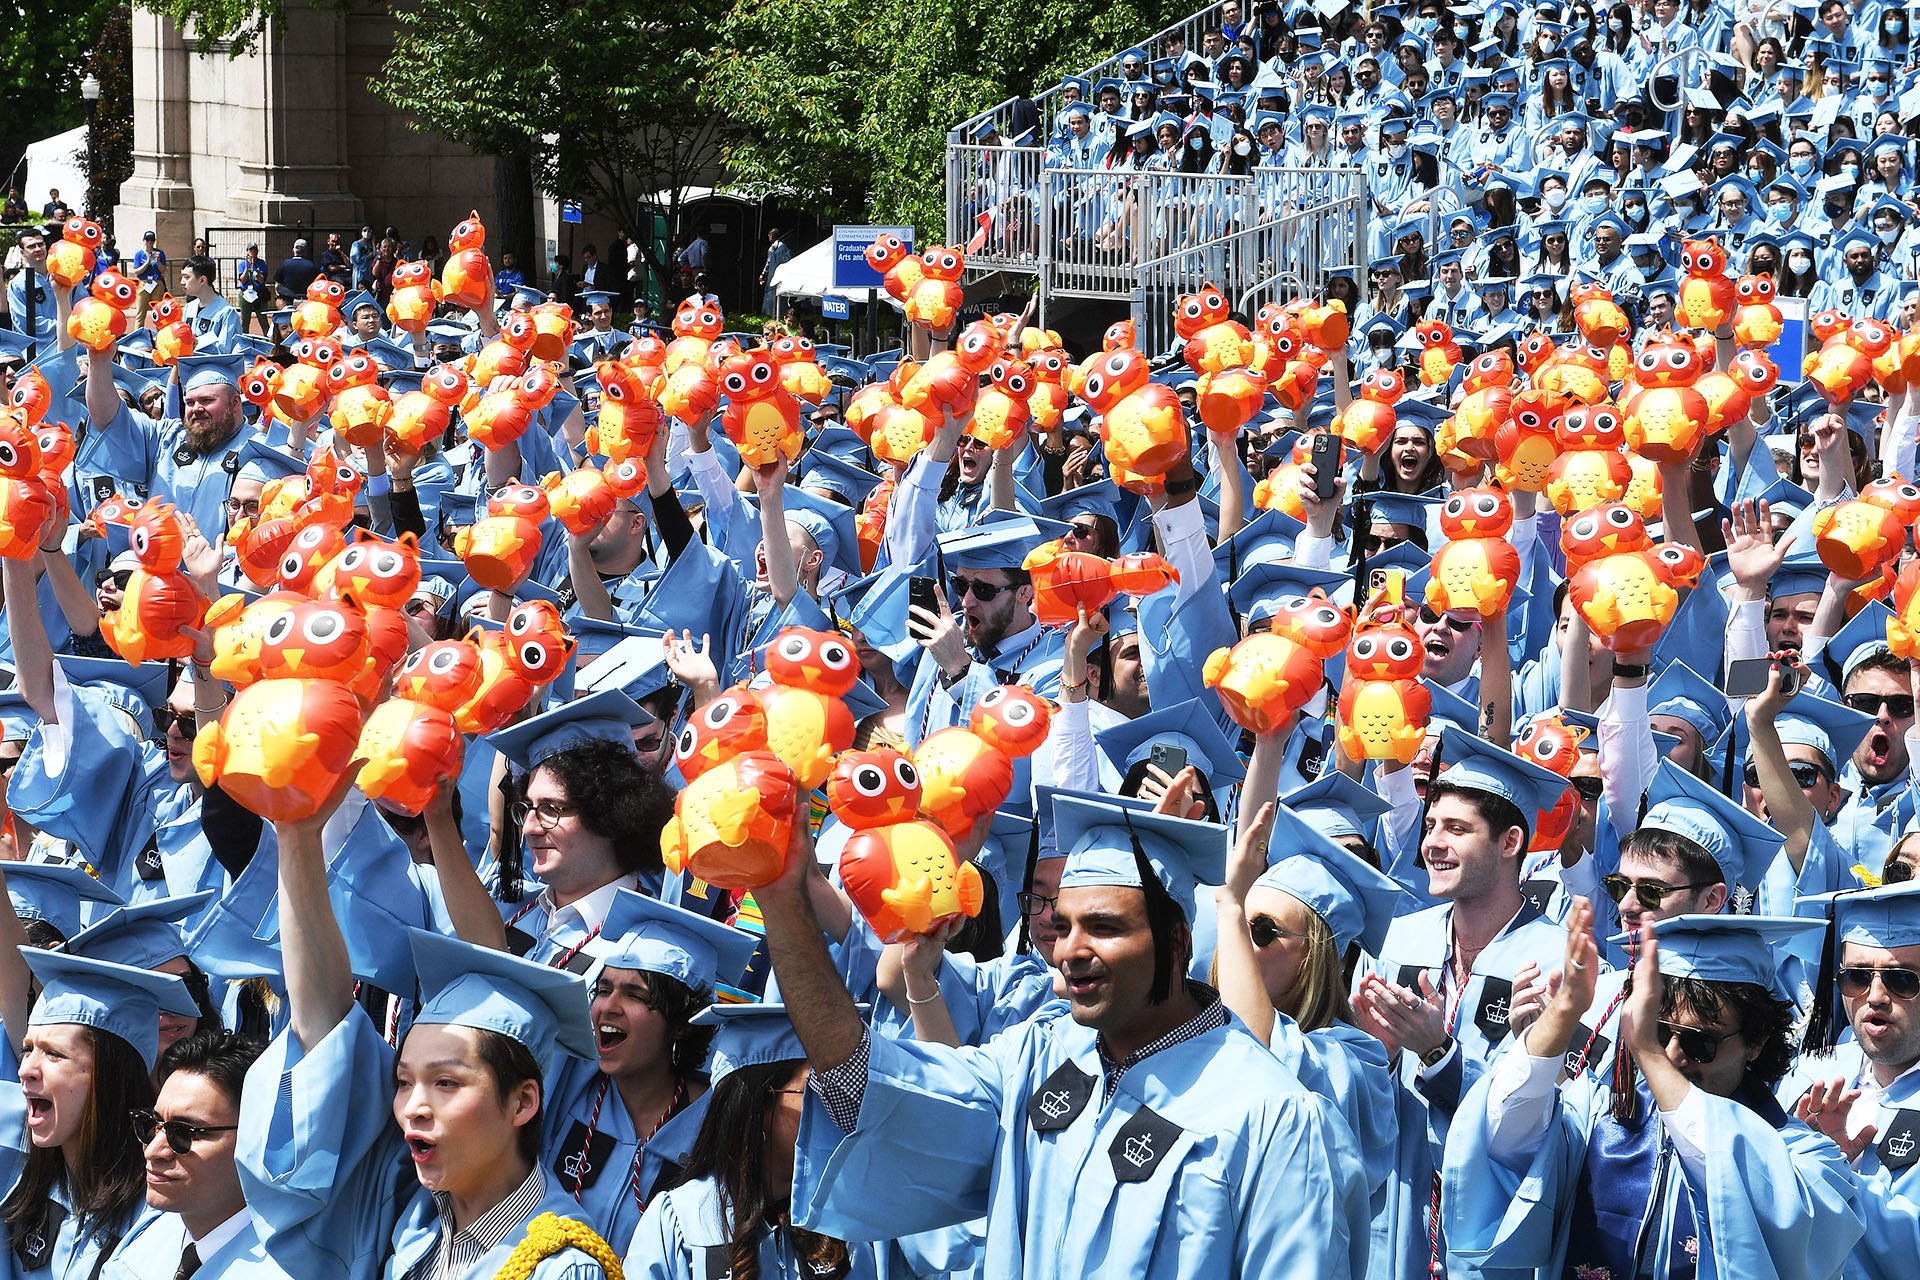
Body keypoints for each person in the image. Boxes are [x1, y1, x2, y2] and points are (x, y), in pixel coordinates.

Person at [754, 791, 1372, 1279]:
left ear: (1178, 941)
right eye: (1064, 923)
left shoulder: (1271, 1114)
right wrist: (784, 903)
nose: (1070, 950)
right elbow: (871, 1089)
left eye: (1104, 927)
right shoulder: (1037, 1055)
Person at [236, 785, 623, 1279]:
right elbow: (324, 1031)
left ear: (523, 1102)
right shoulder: (412, 1218)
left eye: (446, 1082)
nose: (413, 1107)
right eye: (402, 1082)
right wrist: (298, 839)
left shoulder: (560, 1267)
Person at [1445, 910, 1863, 1280]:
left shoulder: (1802, 1155)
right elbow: (1506, 1135)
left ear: (1756, 1042)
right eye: (1661, 1033)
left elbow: (1795, 1234)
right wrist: (1564, 1012)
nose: (1675, 1057)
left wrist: (1646, 1048)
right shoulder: (1599, 1114)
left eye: (1701, 1043)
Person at [0, 950, 200, 1279]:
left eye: (53, 1054)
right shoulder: (24, 1182)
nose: (25, 1070)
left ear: (109, 1077)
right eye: (28, 1049)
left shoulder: (163, 1213)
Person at [99, 1031, 288, 1280]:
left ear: (256, 1137)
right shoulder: (148, 1236)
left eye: (184, 1133)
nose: (154, 1151)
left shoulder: (290, 1267)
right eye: (152, 1125)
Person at [179, 257, 240, 355]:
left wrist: (197, 343)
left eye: (186, 277)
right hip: (187, 368)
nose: (182, 282)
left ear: (202, 280)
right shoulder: (189, 308)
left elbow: (225, 352)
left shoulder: (226, 313)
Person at [130, 231, 168, 328]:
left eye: (152, 240)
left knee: (158, 311)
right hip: (144, 283)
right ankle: (137, 334)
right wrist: (147, 262)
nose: (149, 242)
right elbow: (137, 271)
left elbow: (163, 270)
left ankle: (160, 334)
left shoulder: (160, 253)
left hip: (157, 283)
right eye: (147, 240)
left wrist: (158, 261)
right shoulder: (139, 254)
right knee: (140, 312)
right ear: (144, 241)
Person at [234, 243, 267, 336]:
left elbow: (261, 280)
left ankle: (269, 341)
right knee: (245, 321)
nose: (252, 252)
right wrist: (247, 267)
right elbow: (243, 280)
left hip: (258, 294)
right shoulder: (242, 264)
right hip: (246, 294)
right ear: (247, 252)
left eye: (254, 250)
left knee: (263, 320)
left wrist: (255, 268)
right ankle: (244, 340)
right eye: (250, 250)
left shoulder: (262, 263)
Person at [271, 240, 318, 305]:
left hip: (288, 301)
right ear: (306, 251)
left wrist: (280, 297)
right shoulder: (312, 266)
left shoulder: (285, 264)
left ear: (293, 250)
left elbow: (277, 286)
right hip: (306, 302)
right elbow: (316, 286)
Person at [760, 229, 792, 315]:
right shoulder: (784, 249)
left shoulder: (774, 249)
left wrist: (763, 274)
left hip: (774, 276)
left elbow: (768, 263)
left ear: (772, 236)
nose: (769, 238)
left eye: (769, 235)